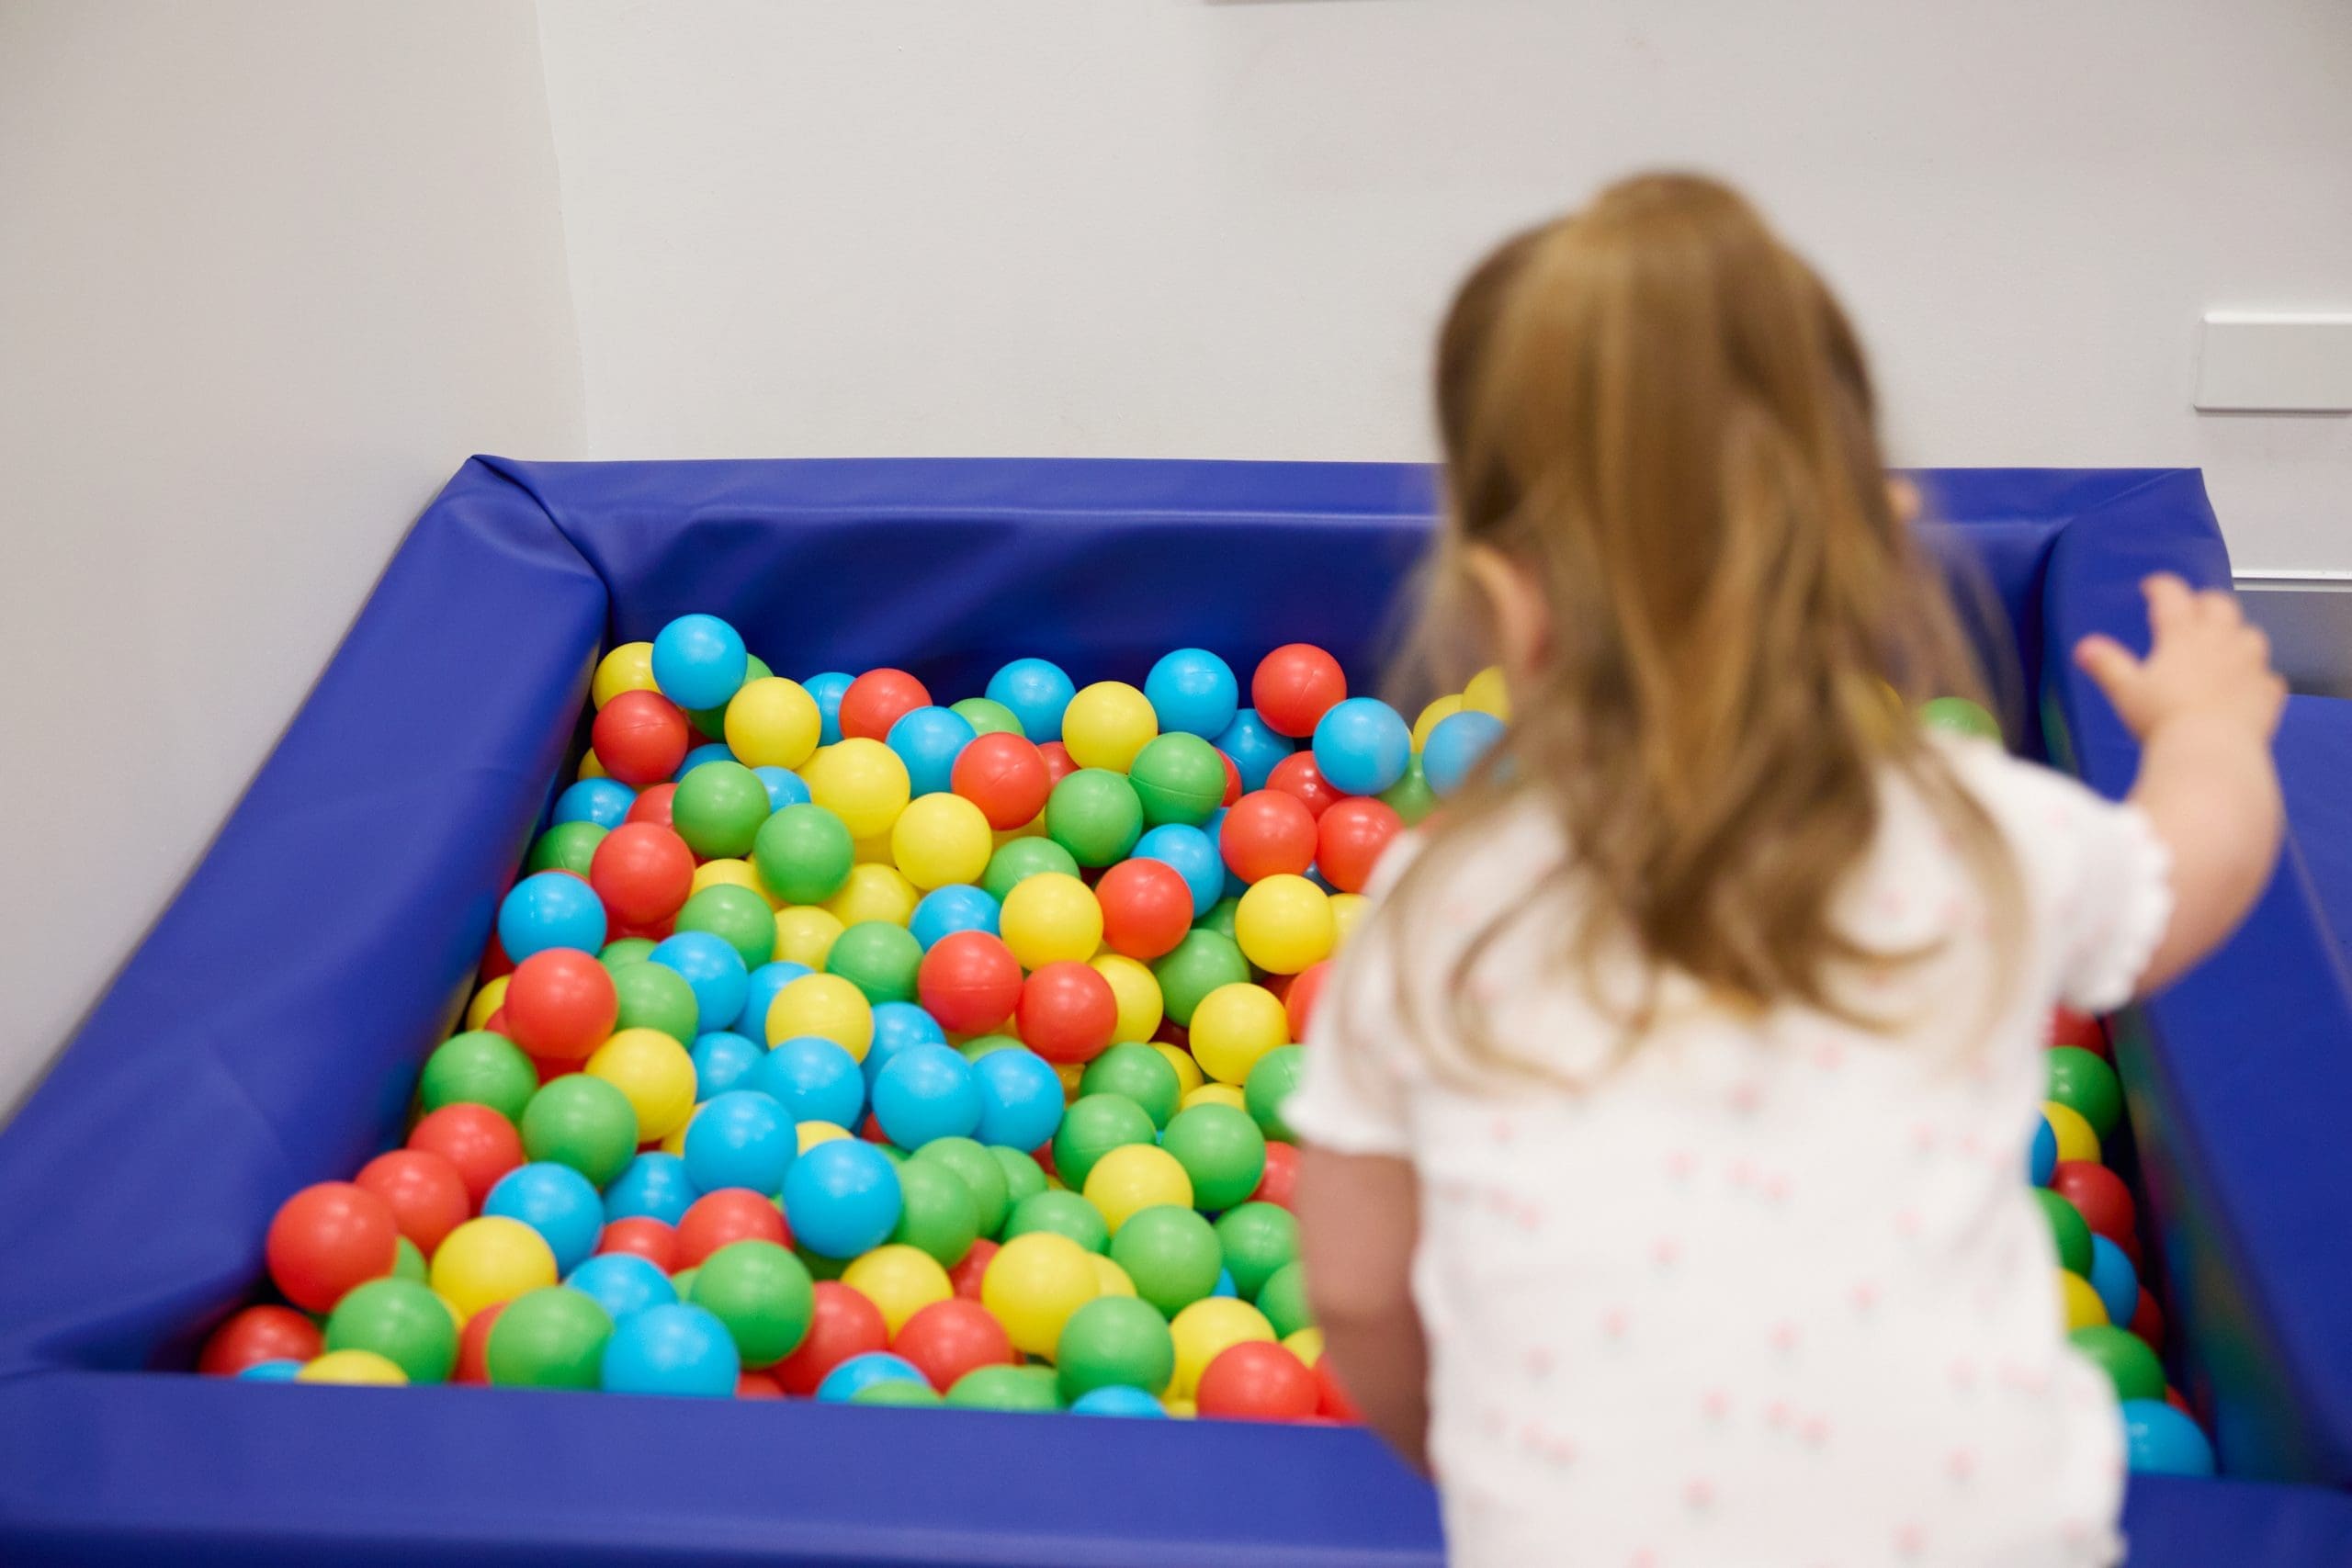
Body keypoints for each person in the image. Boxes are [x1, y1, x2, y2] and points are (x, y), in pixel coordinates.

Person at [1287, 173, 2285, 1567]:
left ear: (1505, 599)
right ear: (1875, 541)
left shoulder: (1431, 919)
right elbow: (2198, 867)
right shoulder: (1977, 841)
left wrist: (1484, 1456)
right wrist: (2207, 731)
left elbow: (1356, 1286)